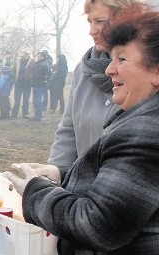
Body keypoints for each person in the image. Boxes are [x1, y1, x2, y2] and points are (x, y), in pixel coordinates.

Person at [4, 9, 159, 255]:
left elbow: (98, 222)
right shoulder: (135, 116)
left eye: (122, 59)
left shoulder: (146, 132)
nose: (109, 69)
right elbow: (115, 183)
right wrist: (62, 174)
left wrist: (35, 191)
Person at [47, 0, 145, 169]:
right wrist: (56, 174)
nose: (91, 31)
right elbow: (68, 131)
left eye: (100, 21)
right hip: (78, 188)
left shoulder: (146, 72)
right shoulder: (84, 70)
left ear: (127, 17)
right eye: (89, 21)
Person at [11, 50, 34, 119]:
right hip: (18, 83)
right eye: (21, 56)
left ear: (27, 55)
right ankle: (14, 114)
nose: (22, 57)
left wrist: (31, 79)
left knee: (26, 99)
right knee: (17, 99)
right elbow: (13, 71)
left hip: (27, 84)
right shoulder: (17, 62)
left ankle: (25, 114)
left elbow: (34, 71)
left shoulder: (32, 62)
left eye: (23, 56)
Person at [30, 51, 50, 121]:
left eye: (39, 56)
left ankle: (37, 116)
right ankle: (38, 115)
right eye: (37, 56)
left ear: (42, 57)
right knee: (39, 100)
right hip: (42, 84)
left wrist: (32, 81)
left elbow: (36, 76)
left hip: (37, 84)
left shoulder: (40, 65)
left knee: (37, 100)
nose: (37, 57)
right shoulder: (45, 64)